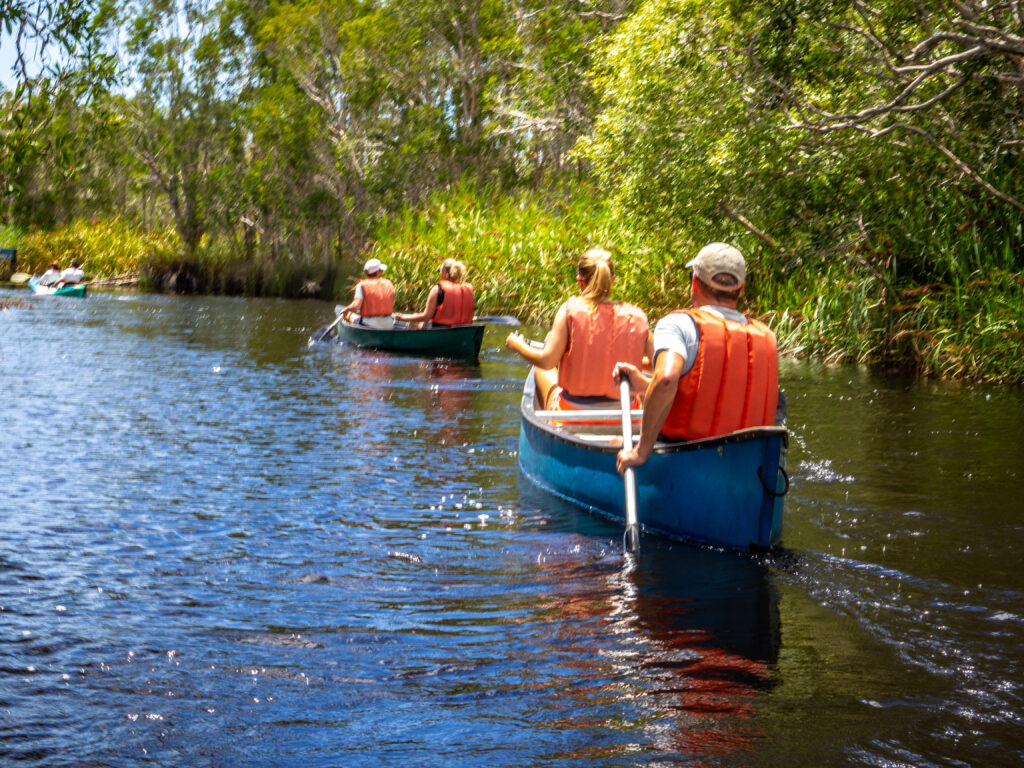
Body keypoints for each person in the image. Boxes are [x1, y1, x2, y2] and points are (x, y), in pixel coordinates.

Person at [615, 242, 779, 473]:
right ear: (740, 289)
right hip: (748, 468)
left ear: (694, 283)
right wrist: (643, 385)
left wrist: (641, 451)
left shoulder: (679, 324)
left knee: (616, 443)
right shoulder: (766, 336)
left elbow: (665, 379)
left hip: (686, 462)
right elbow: (724, 393)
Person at [506, 247, 652, 413]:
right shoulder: (638, 316)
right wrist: (634, 363)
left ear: (580, 282)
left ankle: (546, 426)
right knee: (641, 393)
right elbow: (659, 367)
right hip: (625, 416)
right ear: (612, 280)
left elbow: (547, 361)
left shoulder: (569, 311)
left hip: (573, 416)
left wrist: (517, 345)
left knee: (539, 370)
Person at [396, 258, 474, 328]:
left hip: (441, 331)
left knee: (414, 321)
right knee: (418, 318)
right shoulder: (468, 289)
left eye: (439, 271)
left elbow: (427, 316)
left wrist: (403, 317)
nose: (439, 274)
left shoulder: (438, 289)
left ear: (444, 272)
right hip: (464, 331)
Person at [341, 257, 396, 329]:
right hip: (389, 325)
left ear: (367, 273)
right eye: (381, 270)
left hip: (370, 325)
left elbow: (356, 307)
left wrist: (346, 310)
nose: (382, 272)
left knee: (350, 314)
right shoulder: (389, 283)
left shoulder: (362, 285)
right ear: (378, 272)